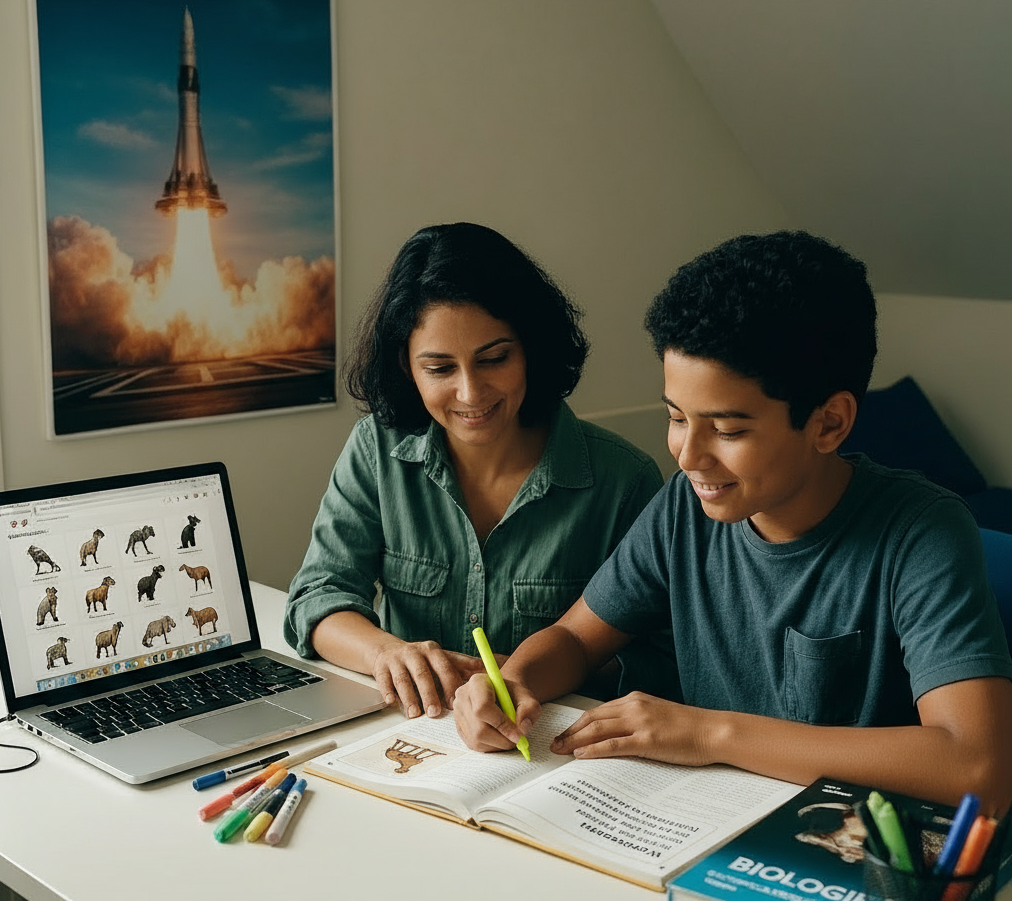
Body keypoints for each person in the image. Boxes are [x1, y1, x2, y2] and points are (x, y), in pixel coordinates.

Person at [454, 230, 1012, 814]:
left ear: (829, 424)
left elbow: (977, 766)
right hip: (698, 820)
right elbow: (574, 638)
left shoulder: (922, 534)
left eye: (727, 430)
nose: (688, 456)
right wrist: (514, 681)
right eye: (676, 418)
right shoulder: (685, 507)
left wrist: (708, 733)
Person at [284, 222, 664, 720]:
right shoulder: (378, 450)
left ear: (531, 347)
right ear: (407, 367)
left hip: (554, 746)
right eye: (440, 369)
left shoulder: (623, 479)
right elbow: (317, 597)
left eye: (494, 359)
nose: (470, 393)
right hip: (418, 737)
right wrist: (387, 654)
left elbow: (659, 658)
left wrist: (534, 674)